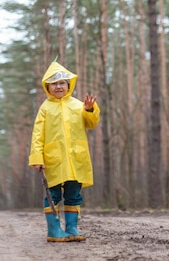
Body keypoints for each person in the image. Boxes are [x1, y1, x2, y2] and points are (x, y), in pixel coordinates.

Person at [28, 58, 100, 242]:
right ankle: (53, 230)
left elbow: (91, 123)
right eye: (54, 84)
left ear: (69, 85)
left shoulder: (77, 105)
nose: (58, 87)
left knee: (73, 194)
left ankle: (72, 228)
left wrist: (90, 110)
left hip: (76, 158)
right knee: (52, 194)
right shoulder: (45, 108)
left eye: (62, 83)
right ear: (47, 87)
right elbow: (37, 134)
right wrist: (37, 157)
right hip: (53, 159)